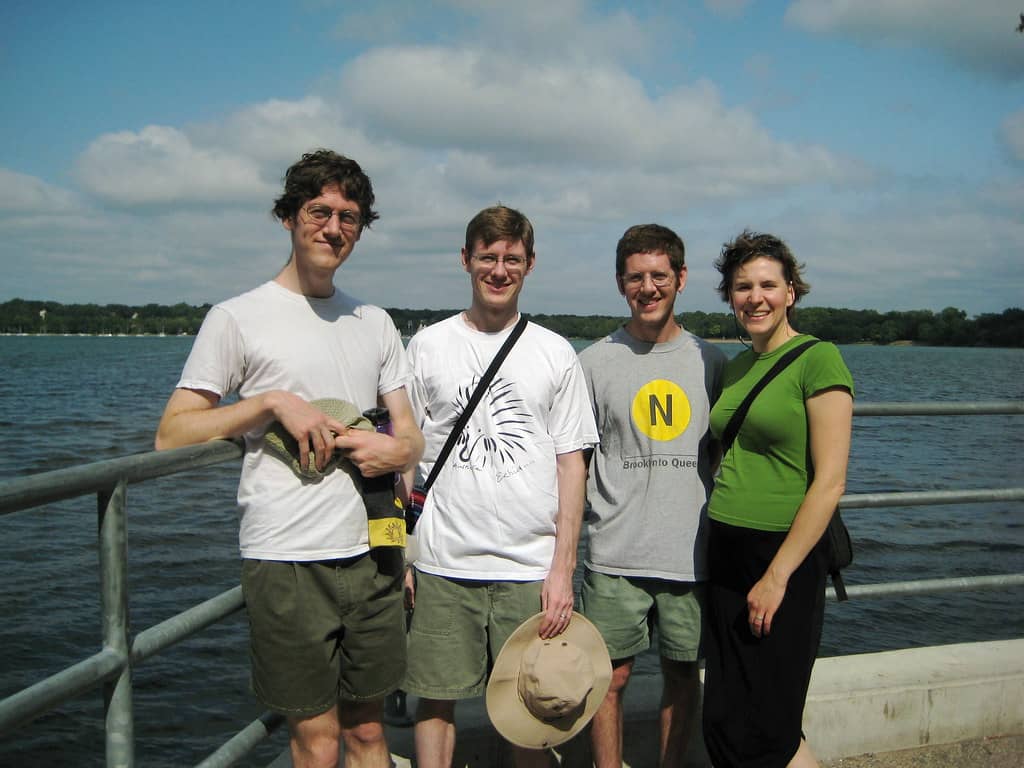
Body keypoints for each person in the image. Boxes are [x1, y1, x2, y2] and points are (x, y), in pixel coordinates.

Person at [154, 149, 424, 768]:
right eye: (318, 212)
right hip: (287, 558)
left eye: (349, 217)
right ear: (288, 217)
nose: (333, 228)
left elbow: (411, 436)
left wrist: (395, 449)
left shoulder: (375, 322)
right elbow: (172, 433)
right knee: (316, 740)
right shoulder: (236, 318)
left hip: (375, 551)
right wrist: (270, 404)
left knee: (369, 734)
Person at [402, 205, 598, 768]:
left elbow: (572, 465)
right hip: (441, 562)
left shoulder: (555, 352)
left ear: (530, 264)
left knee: (531, 708)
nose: (499, 270)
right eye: (487, 257)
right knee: (434, 700)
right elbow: (404, 459)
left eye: (512, 259)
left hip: (529, 569)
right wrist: (402, 556)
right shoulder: (428, 346)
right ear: (465, 260)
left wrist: (561, 570)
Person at [701, 230, 854, 768]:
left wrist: (777, 575)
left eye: (768, 285)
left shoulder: (819, 359)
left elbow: (830, 481)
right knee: (725, 713)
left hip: (783, 554)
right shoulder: (737, 367)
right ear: (730, 296)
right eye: (743, 287)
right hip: (725, 551)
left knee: (771, 725)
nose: (755, 297)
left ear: (791, 292)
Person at [578, 224, 727, 767]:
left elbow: (722, 456)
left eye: (659, 276)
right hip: (614, 554)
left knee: (683, 675)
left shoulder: (712, 363)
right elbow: (575, 462)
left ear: (681, 279)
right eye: (636, 277)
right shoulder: (592, 363)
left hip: (691, 555)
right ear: (621, 283)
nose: (648, 288)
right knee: (608, 678)